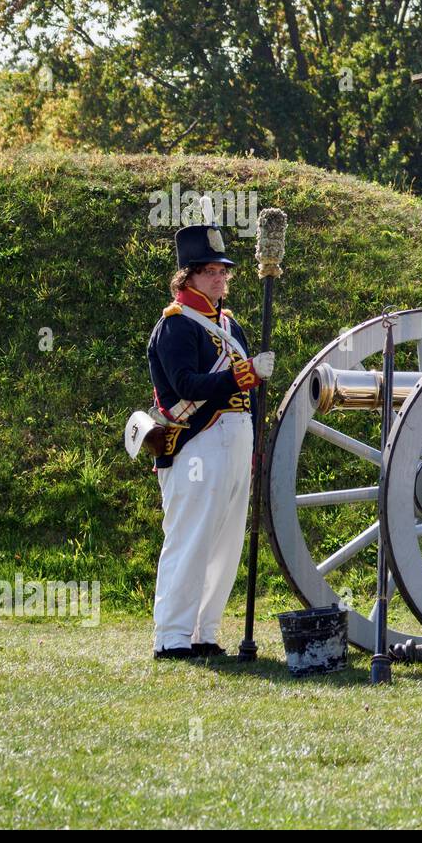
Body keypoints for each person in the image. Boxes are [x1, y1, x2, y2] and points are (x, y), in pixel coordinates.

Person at [146, 223, 275, 659]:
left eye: (223, 271)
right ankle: (172, 636)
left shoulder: (228, 325)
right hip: (197, 444)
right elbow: (184, 385)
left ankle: (204, 632)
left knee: (225, 541)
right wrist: (240, 375)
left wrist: (255, 443)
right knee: (191, 537)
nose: (220, 278)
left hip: (236, 441)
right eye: (211, 271)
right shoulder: (177, 325)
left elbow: (248, 393)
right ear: (189, 276)